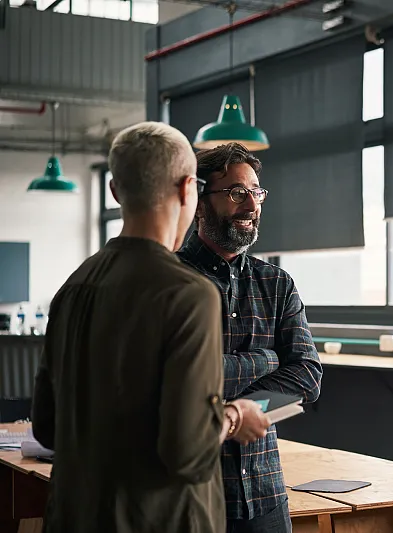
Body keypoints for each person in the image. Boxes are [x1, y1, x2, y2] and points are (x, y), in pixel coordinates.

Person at [31, 122, 273, 533]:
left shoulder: (72, 289)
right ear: (186, 190)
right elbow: (189, 452)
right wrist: (234, 414)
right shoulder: (189, 294)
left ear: (114, 191)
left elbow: (47, 427)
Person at [178, 142, 323, 533]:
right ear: (200, 201)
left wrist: (240, 409)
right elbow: (178, 381)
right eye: (236, 192)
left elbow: (308, 376)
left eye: (256, 192)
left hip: (265, 495)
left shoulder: (276, 283)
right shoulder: (171, 282)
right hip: (191, 500)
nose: (250, 204)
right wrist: (267, 360)